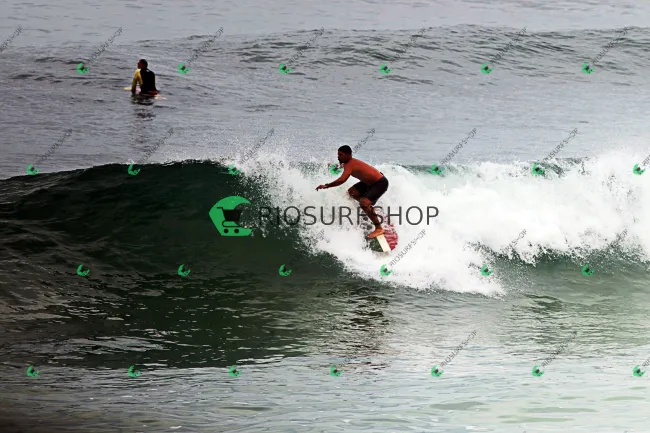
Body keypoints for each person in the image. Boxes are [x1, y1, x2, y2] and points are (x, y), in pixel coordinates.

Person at [316, 145, 389, 239]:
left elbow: (342, 180)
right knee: (352, 192)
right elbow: (342, 166)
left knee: (363, 202)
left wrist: (327, 185)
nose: (338, 157)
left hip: (379, 183)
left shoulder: (350, 164)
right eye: (338, 155)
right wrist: (334, 167)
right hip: (368, 183)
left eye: (340, 155)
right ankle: (368, 208)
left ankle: (379, 228)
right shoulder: (346, 163)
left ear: (348, 155)